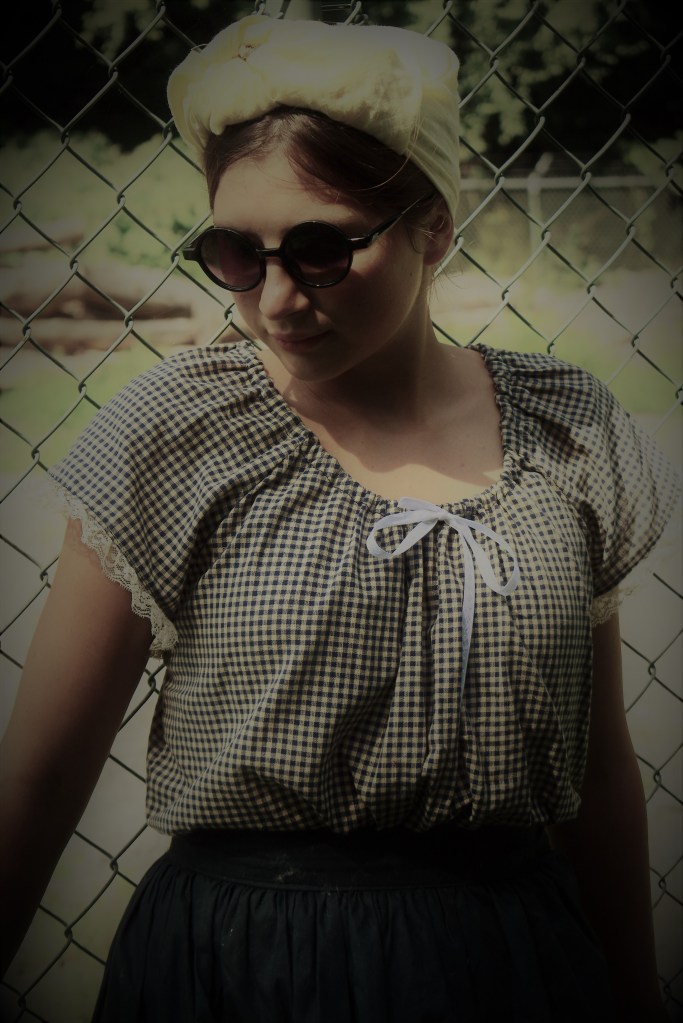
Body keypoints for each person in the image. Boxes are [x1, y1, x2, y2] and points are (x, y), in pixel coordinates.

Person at [0, 13, 679, 1023]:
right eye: (236, 254)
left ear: (433, 227)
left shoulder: (564, 430)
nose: (275, 300)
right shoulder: (177, 432)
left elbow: (595, 763)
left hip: (513, 965)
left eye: (321, 250)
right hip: (245, 969)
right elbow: (45, 773)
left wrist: (632, 993)